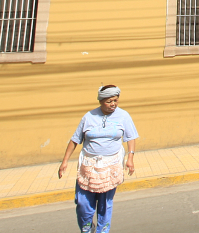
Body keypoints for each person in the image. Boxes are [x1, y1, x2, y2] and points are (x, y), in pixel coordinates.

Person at [58, 85, 139, 233]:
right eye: (109, 101)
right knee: (83, 203)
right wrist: (64, 162)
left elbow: (131, 137)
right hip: (89, 166)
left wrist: (130, 158)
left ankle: (103, 231)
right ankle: (87, 229)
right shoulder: (89, 117)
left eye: (115, 100)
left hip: (111, 165)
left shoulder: (124, 116)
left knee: (105, 204)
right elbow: (75, 139)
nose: (113, 104)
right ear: (101, 101)